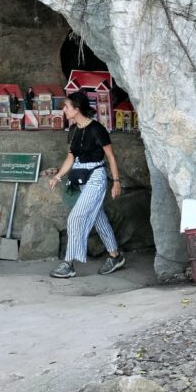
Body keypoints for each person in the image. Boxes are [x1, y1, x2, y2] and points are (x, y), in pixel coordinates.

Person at [45, 91, 125, 278]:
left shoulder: (97, 129)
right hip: (81, 177)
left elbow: (111, 157)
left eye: (66, 106)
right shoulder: (73, 130)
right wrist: (57, 176)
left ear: (76, 108)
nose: (63, 110)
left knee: (75, 218)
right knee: (98, 218)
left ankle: (68, 263)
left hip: (96, 177)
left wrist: (116, 181)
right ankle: (115, 256)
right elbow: (71, 157)